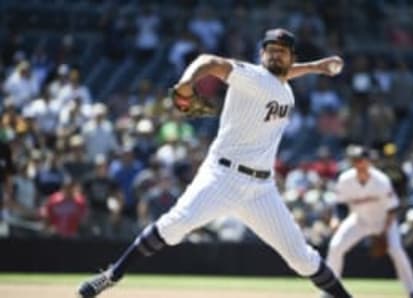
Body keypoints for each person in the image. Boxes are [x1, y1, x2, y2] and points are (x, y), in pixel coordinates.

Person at [77, 28, 352, 298]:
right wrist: (186, 84)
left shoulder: (283, 87)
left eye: (282, 52)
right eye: (270, 51)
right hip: (222, 177)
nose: (276, 56)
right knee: (174, 225)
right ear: (261, 54)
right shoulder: (252, 77)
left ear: (291, 57)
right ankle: (111, 275)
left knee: (302, 259)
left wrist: (317, 67)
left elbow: (284, 74)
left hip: (262, 189)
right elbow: (208, 62)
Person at [326, 146, 413, 298]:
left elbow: (392, 208)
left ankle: (412, 291)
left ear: (369, 161)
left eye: (362, 160)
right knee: (335, 246)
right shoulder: (345, 179)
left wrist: (383, 233)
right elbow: (340, 204)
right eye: (355, 160)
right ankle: (329, 291)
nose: (359, 163)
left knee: (396, 251)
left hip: (384, 222)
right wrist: (336, 219)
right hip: (359, 220)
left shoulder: (381, 180)